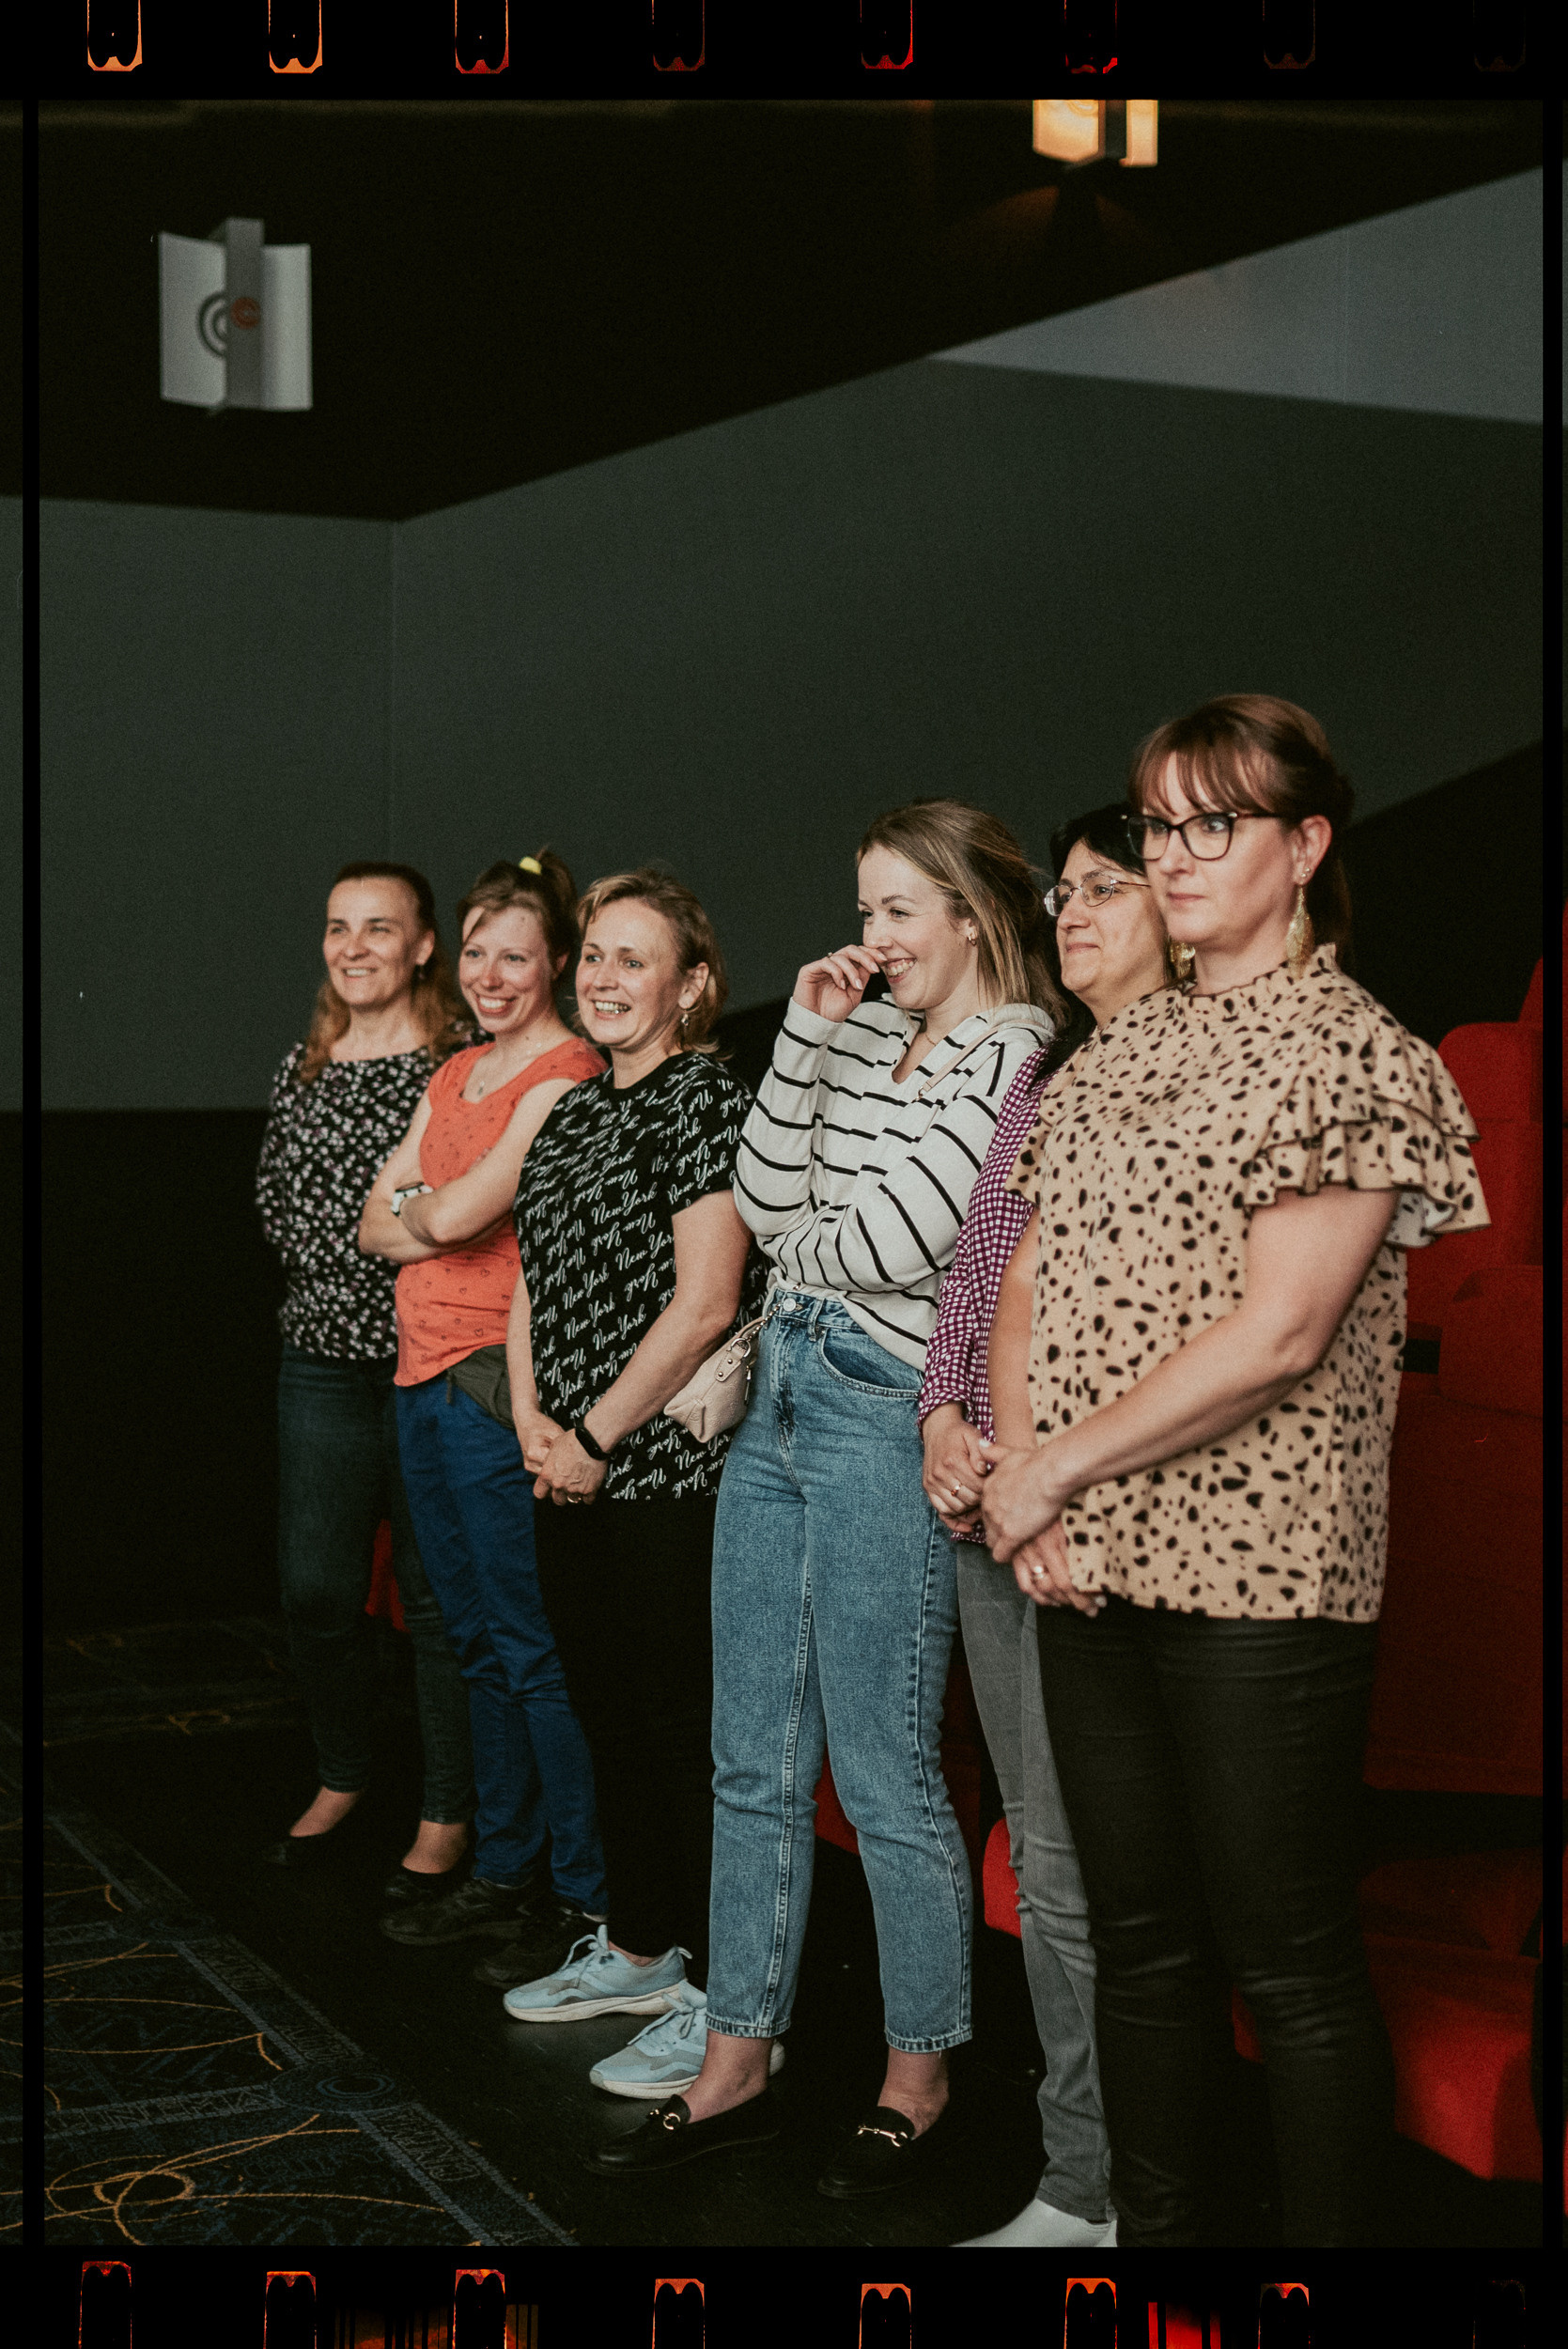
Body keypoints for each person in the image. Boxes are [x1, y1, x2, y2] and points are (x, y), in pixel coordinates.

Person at [980, 695, 1489, 2246]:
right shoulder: (1110, 1054)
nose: (1175, 855)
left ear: (1304, 844)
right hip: (1087, 1559)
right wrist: (1028, 1482)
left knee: (1287, 1964)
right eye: (1159, 825)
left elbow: (1278, 1335)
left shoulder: (1351, 1050)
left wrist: (1045, 1473)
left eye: (1215, 824)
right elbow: (1026, 1283)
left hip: (1260, 1574)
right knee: (1140, 1945)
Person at [591, 801, 1060, 2186]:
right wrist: (801, 1033)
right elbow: (759, 1195)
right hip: (783, 1388)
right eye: (864, 911)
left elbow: (890, 1238)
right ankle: (738, 2055)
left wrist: (803, 1226)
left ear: (971, 914)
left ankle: (920, 2072)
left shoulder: (1015, 1049)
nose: (874, 938)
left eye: (899, 911)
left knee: (881, 1766)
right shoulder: (850, 1026)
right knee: (750, 1754)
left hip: (878, 1407)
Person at [918, 802, 1171, 2248]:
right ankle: (1082, 2181)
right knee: (1046, 1863)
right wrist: (943, 1420)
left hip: (1097, 1517)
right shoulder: (1049, 1070)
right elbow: (979, 1275)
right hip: (996, 1497)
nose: (1070, 913)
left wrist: (1039, 1480)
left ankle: (1112, 2191)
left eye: (1104, 889)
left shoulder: (1193, 1069)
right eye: (1061, 893)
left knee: (1086, 1876)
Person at [490, 871, 768, 2092]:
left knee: (678, 1732)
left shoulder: (705, 1097)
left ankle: (725, 1997)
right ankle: (644, 1949)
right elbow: (530, 1284)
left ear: (690, 985)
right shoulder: (568, 1111)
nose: (603, 978)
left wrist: (595, 1438)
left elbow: (707, 1300)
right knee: (604, 1710)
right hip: (566, 1466)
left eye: (632, 959)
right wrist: (533, 1422)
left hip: (663, 1476)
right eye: (593, 956)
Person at [358, 852, 609, 1960]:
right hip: (419, 1379)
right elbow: (373, 1223)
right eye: (476, 953)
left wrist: (428, 1205)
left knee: (525, 1642)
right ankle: (504, 1870)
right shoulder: (454, 1070)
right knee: (469, 1638)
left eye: (516, 955)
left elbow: (454, 1215)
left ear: (555, 961)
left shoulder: (566, 1071)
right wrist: (435, 1205)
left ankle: (580, 1892)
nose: (491, 974)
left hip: (490, 1385)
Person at [255, 862, 478, 1894]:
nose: (353, 947)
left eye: (378, 927)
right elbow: (278, 1206)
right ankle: (343, 1773)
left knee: (434, 1601)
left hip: (430, 1360)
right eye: (338, 926)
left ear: (423, 945)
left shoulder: (459, 1062)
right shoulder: (303, 1061)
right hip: (320, 1361)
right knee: (316, 1591)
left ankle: (445, 1813)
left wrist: (389, 1238)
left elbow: (464, 1218)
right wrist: (382, 1238)